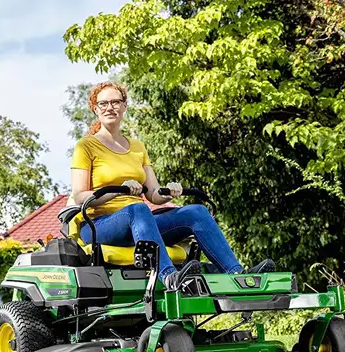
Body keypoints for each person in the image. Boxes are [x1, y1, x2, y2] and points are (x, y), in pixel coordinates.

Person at [70, 81, 275, 291]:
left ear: (124, 106)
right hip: (100, 226)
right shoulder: (86, 146)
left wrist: (169, 192)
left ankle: (237, 274)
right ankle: (169, 277)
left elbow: (153, 194)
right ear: (95, 108)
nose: (109, 107)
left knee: (196, 211)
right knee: (137, 209)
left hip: (141, 223)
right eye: (103, 103)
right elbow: (80, 196)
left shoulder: (137, 147)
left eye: (115, 102)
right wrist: (117, 190)